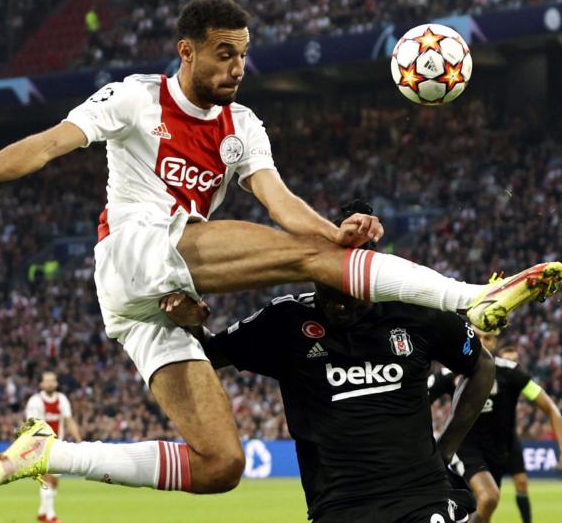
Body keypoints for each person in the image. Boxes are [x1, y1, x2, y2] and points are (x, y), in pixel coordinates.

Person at [0, 0, 562, 496]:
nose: (237, 67)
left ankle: (47, 451)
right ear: (188, 50)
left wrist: (334, 232)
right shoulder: (134, 99)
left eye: (243, 54)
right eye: (225, 54)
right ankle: (472, 298)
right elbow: (47, 143)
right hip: (133, 248)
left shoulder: (243, 126)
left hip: (149, 300)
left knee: (220, 464)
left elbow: (282, 206)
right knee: (311, 261)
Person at [163, 220, 496, 522]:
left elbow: (481, 366)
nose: (338, 305)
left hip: (423, 496)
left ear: (372, 284)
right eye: (328, 290)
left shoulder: (416, 312)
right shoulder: (286, 321)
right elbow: (209, 353)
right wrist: (192, 325)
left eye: (349, 296)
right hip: (339, 506)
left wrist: (447, 447)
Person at [430, 336, 562, 523]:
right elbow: (417, 400)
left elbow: (550, 407)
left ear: (496, 340)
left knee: (484, 508)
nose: (484, 342)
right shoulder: (450, 373)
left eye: (489, 337)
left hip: (500, 448)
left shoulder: (511, 372)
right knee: (488, 497)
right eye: (479, 336)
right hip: (465, 446)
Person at [24, 372, 82, 523]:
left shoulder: (62, 399)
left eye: (52, 380)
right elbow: (31, 427)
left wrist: (79, 440)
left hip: (58, 445)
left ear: (56, 383)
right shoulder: (35, 402)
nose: (50, 383)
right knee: (47, 479)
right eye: (47, 381)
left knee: (54, 482)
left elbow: (69, 420)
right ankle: (50, 516)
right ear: (41, 384)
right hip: (40, 447)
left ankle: (42, 513)